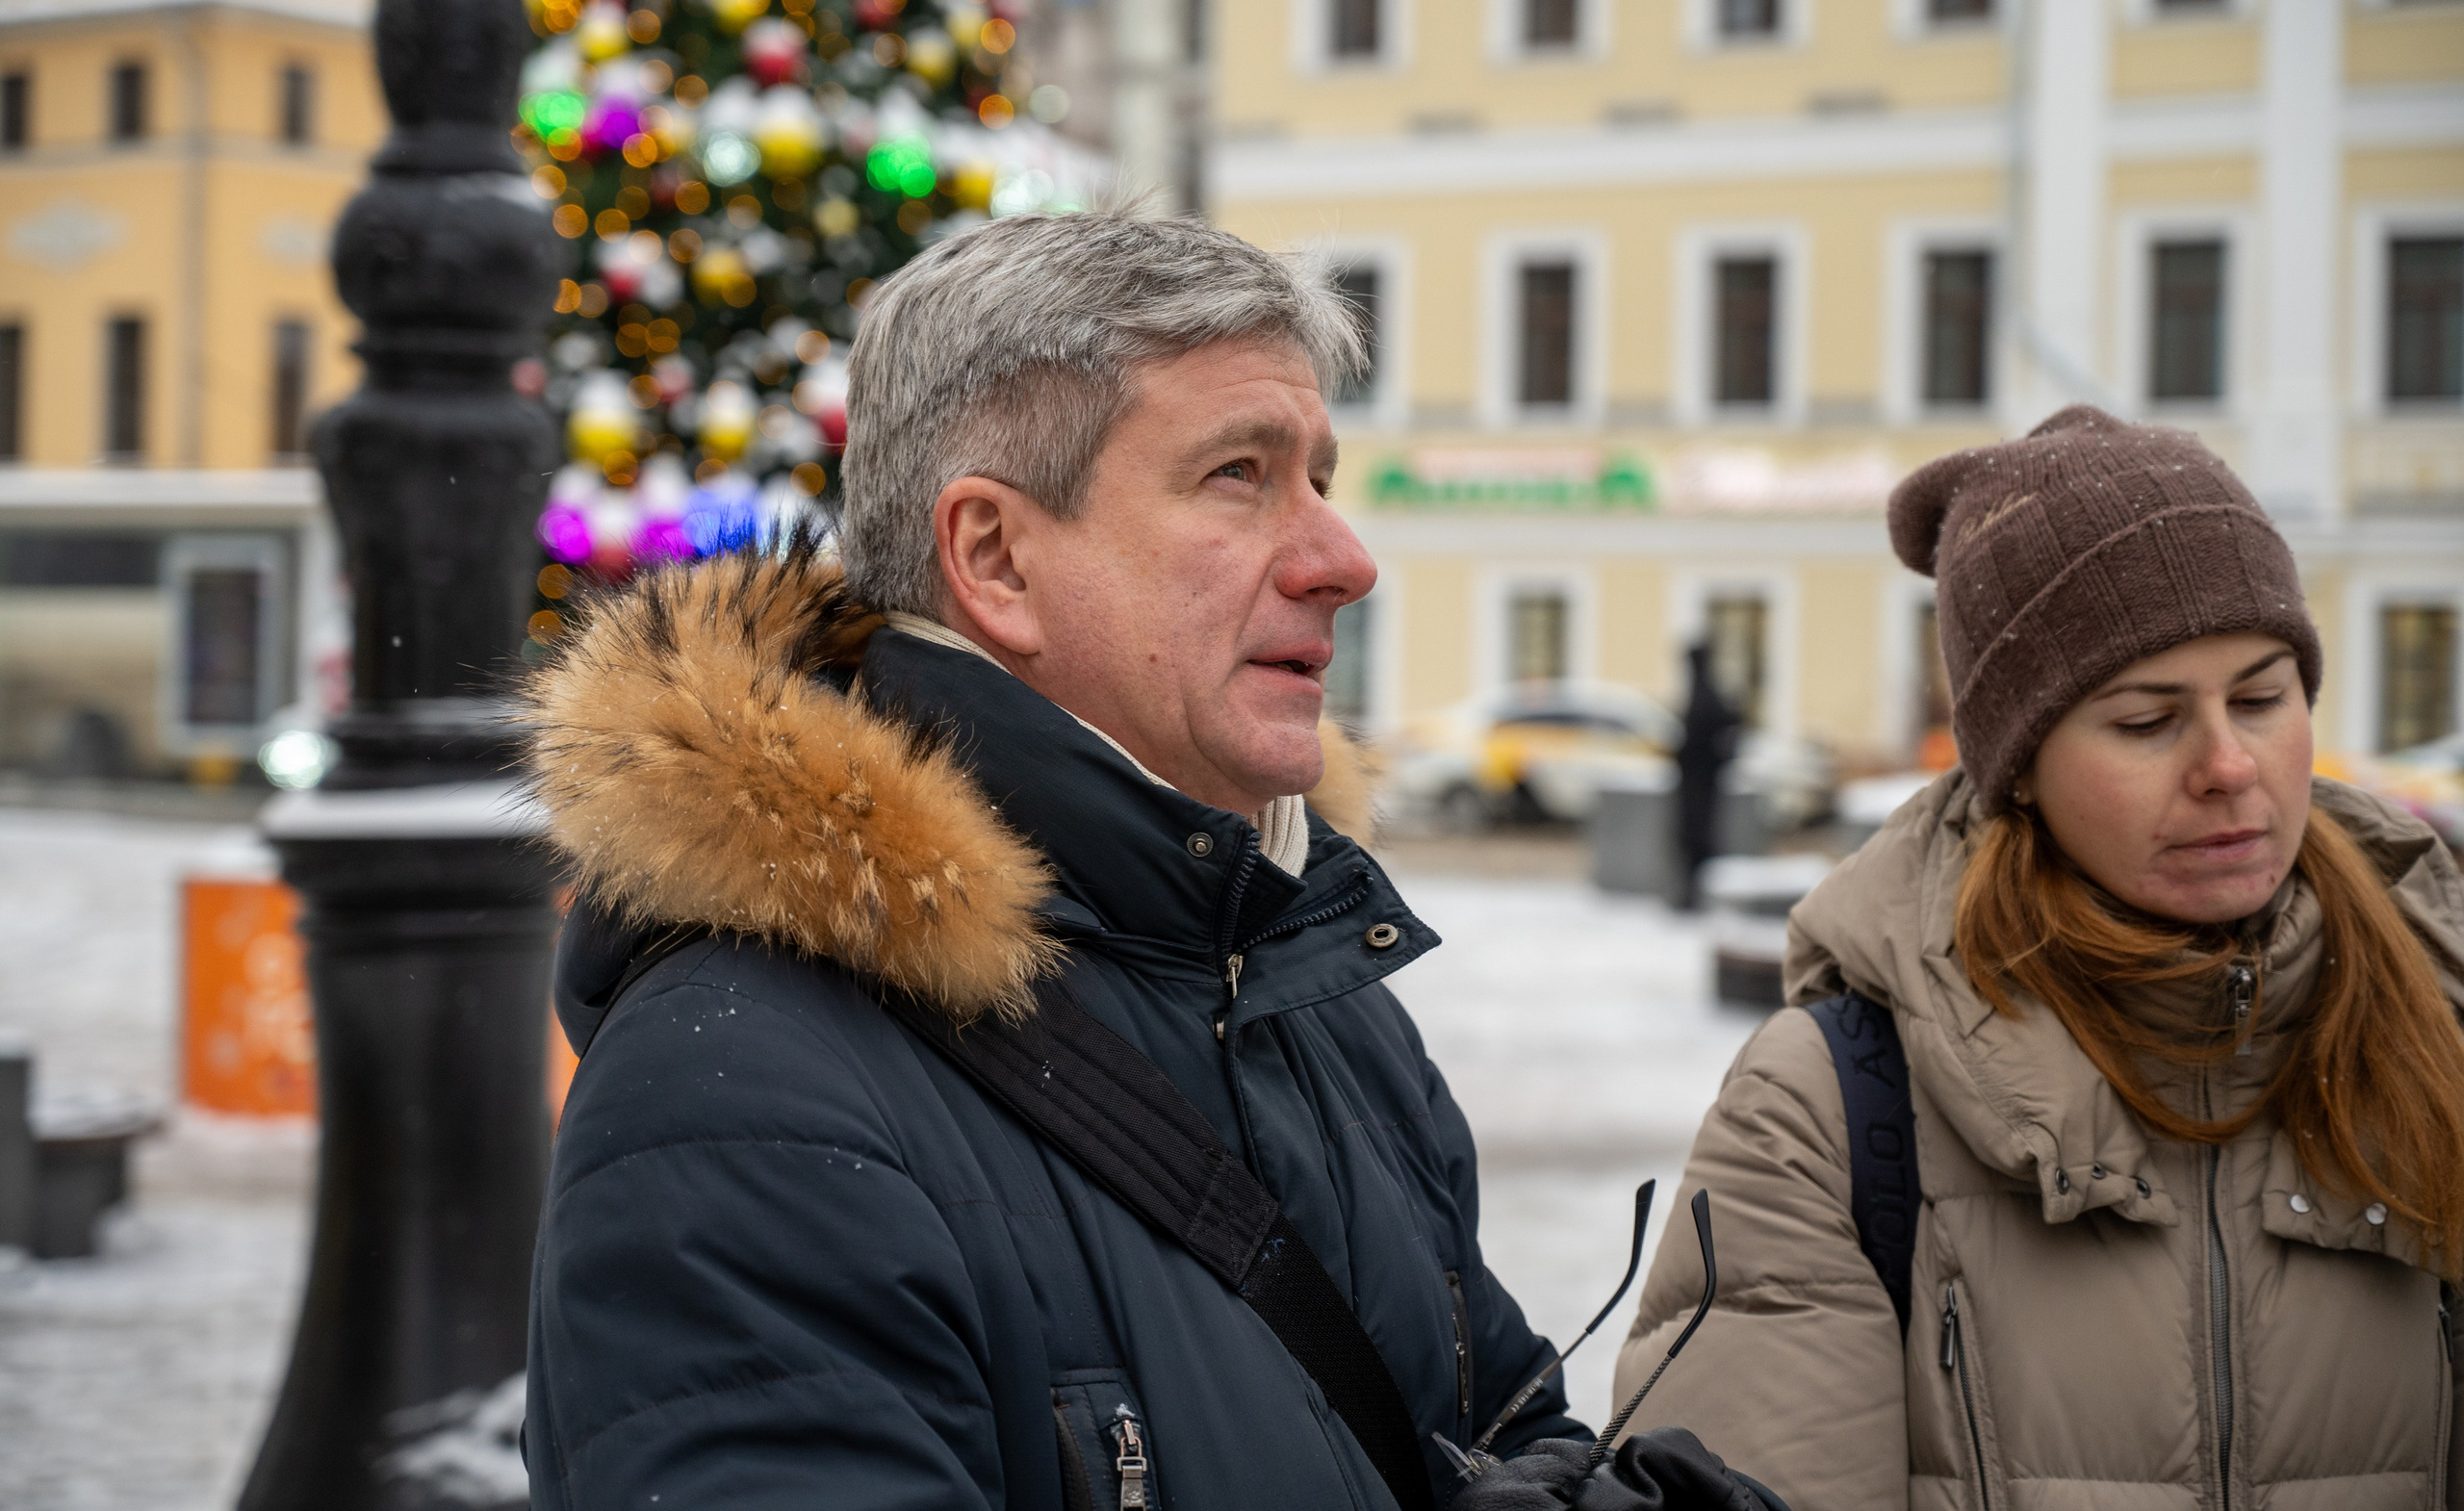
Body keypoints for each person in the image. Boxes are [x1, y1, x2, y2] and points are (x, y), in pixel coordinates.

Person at [518, 213, 1771, 1509]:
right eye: (1241, 473)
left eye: (1321, 480)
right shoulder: (736, 1102)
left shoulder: (1315, 998)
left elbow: (1489, 1427)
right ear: (997, 558)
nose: (1344, 560)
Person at [1611, 406, 2464, 1509]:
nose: (2227, 765)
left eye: (2262, 698)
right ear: (2019, 768)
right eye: (2146, 721)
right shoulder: (1828, 1109)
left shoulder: (2436, 1020)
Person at [1674, 643, 1743, 910]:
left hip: (1700, 786)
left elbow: (1709, 737)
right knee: (1692, 841)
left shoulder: (1705, 695)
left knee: (1697, 841)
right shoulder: (1704, 692)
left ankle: (1696, 897)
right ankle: (1692, 895)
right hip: (1697, 783)